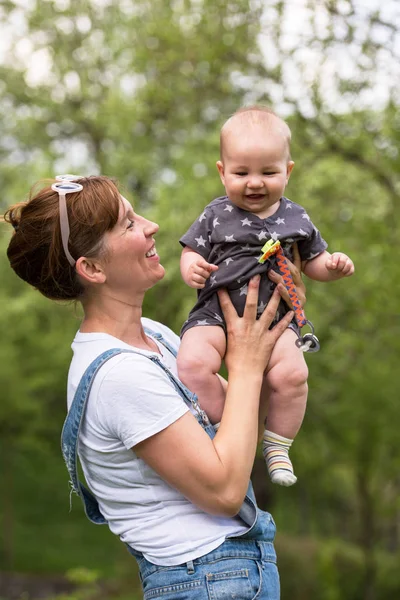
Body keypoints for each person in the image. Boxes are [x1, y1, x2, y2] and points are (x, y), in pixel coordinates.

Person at [3, 174, 307, 599]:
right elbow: (224, 491)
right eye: (128, 224)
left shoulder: (155, 337)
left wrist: (272, 331)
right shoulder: (118, 376)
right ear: (91, 268)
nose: (151, 226)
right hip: (204, 582)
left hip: (232, 573)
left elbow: (238, 426)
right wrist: (246, 364)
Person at [178, 106, 355, 487]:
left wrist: (333, 266)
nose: (254, 183)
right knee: (192, 363)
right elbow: (192, 248)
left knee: (293, 375)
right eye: (241, 173)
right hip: (215, 311)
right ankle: (225, 424)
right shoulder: (216, 214)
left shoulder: (296, 218)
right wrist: (190, 265)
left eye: (268, 172)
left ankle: (277, 444)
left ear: (287, 171)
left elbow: (313, 262)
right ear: (222, 172)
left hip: (276, 320)